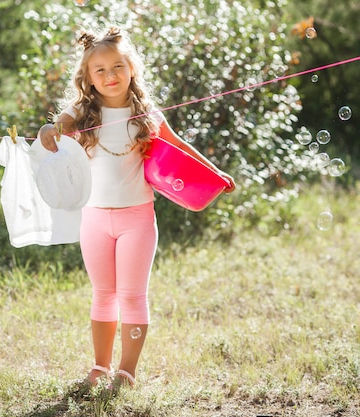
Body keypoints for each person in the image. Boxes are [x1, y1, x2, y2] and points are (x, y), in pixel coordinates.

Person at [37, 26, 236, 388]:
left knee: (131, 295)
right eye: (100, 70)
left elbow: (178, 147)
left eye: (117, 66)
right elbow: (53, 128)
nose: (110, 75)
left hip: (138, 219)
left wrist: (215, 171)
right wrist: (48, 131)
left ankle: (126, 372)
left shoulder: (146, 112)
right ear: (88, 78)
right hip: (94, 218)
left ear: (132, 68)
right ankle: (100, 367)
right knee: (102, 294)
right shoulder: (82, 112)